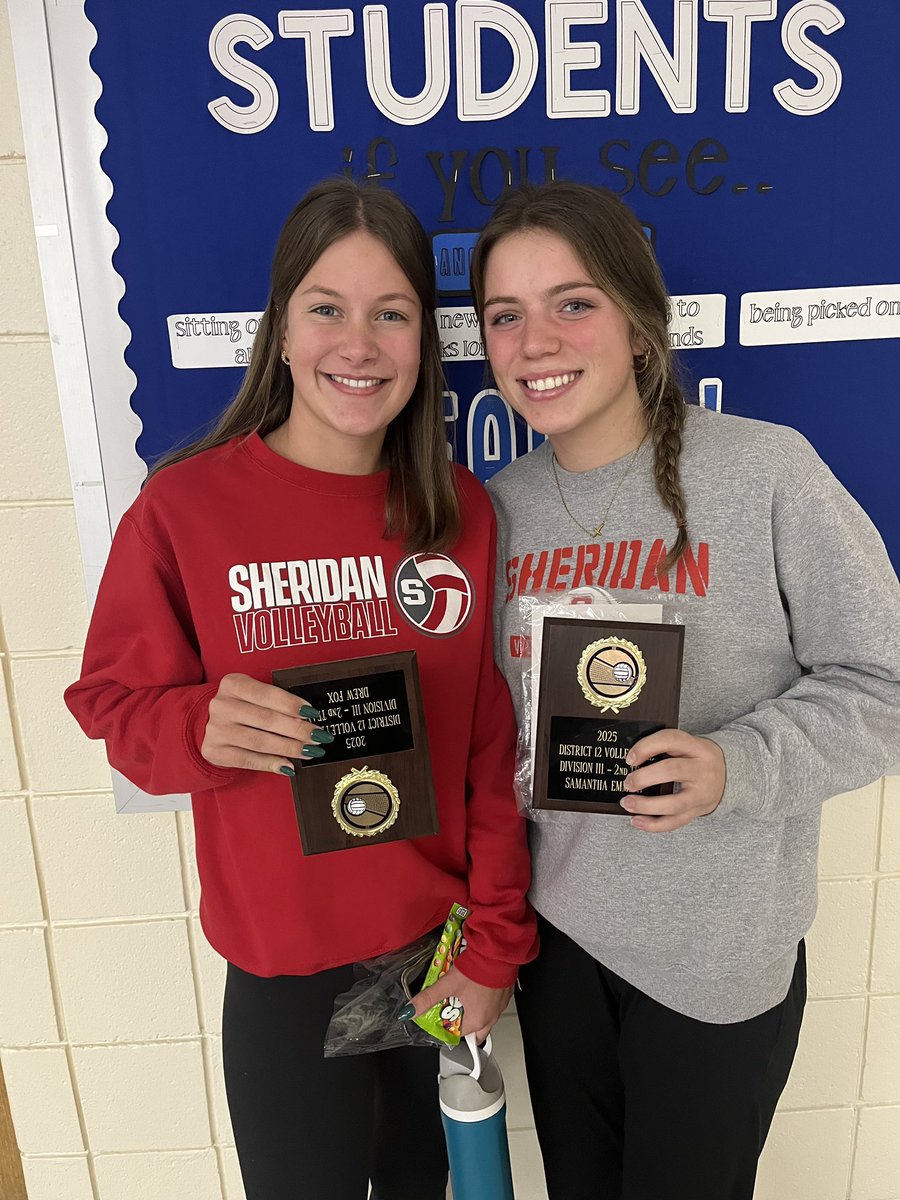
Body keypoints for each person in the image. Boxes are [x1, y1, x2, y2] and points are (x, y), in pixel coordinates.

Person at [65, 178, 537, 1200]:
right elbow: (110, 706)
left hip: (433, 962)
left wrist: (496, 947)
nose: (357, 344)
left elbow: (484, 752)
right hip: (283, 972)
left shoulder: (460, 509)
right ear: (282, 329)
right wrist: (199, 724)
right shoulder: (185, 508)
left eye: (391, 313)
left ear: (425, 340)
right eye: (327, 308)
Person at [469, 181, 900, 1200]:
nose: (536, 342)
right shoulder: (496, 513)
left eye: (571, 303)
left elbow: (886, 680)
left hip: (719, 957)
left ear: (639, 323)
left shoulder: (764, 472)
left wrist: (737, 765)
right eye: (504, 316)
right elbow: (487, 740)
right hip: (559, 947)